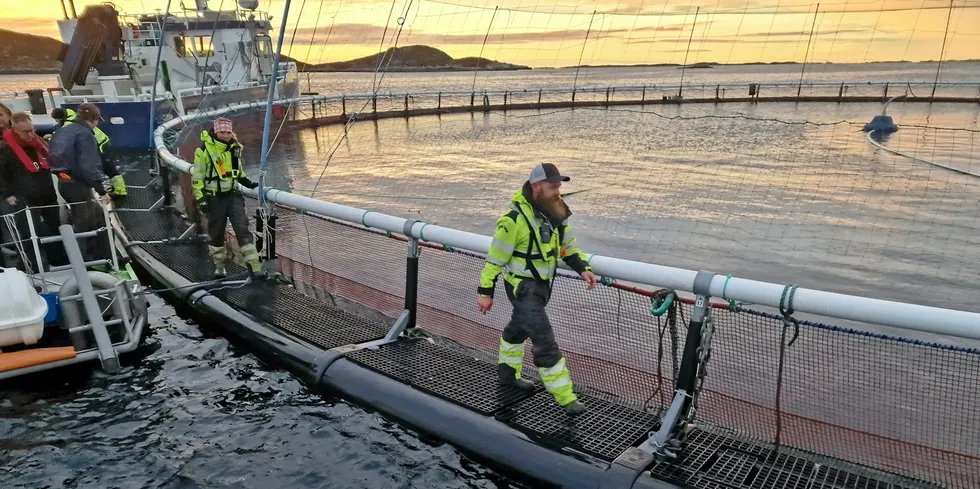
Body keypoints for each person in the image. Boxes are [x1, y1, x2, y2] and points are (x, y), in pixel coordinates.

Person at [477, 163, 598, 416]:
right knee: (544, 340)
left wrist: (582, 268)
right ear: (536, 187)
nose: (558, 191)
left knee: (517, 328)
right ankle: (566, 398)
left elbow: (568, 248)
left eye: (559, 186)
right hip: (521, 287)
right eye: (553, 186)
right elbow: (494, 259)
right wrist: (485, 292)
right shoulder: (513, 222)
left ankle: (507, 374)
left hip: (543, 287)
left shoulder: (556, 214)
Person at [191, 117, 262, 279]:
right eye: (222, 132)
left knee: (243, 230)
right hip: (214, 199)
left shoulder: (235, 148)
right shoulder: (203, 151)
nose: (226, 135)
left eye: (228, 132)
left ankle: (255, 268)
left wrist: (249, 183)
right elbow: (197, 177)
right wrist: (201, 199)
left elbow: (238, 172)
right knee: (216, 233)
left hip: (233, 196)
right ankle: (220, 267)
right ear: (216, 132)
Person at [0, 112, 68, 269]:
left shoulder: (39, 145)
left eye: (32, 130)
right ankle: (33, 265)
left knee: (54, 227)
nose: (31, 134)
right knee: (29, 232)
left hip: (46, 193)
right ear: (15, 131)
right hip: (23, 197)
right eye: (26, 132)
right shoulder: (5, 150)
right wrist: (7, 194)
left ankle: (57, 258)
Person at [47, 103, 112, 263]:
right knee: (85, 224)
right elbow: (88, 166)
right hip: (77, 185)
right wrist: (102, 191)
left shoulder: (61, 131)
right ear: (95, 120)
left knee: (99, 216)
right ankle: (87, 262)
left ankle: (106, 255)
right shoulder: (85, 135)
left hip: (63, 183)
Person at [51, 107, 127, 196]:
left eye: (56, 120)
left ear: (59, 118)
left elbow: (66, 137)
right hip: (103, 141)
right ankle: (118, 188)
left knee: (104, 168)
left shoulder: (68, 125)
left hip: (98, 145)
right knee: (109, 167)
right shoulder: (74, 114)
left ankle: (120, 190)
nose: (56, 122)